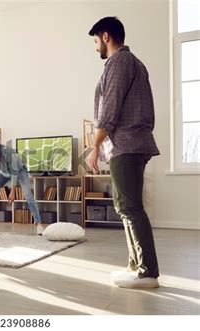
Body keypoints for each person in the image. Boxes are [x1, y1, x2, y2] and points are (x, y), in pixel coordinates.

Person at [88, 16, 160, 288]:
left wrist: (95, 146)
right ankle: (135, 265)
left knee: (130, 207)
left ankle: (148, 272)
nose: (96, 47)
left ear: (105, 37)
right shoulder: (132, 63)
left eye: (96, 41)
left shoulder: (119, 62)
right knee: (124, 207)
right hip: (128, 144)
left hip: (127, 144)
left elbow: (110, 108)